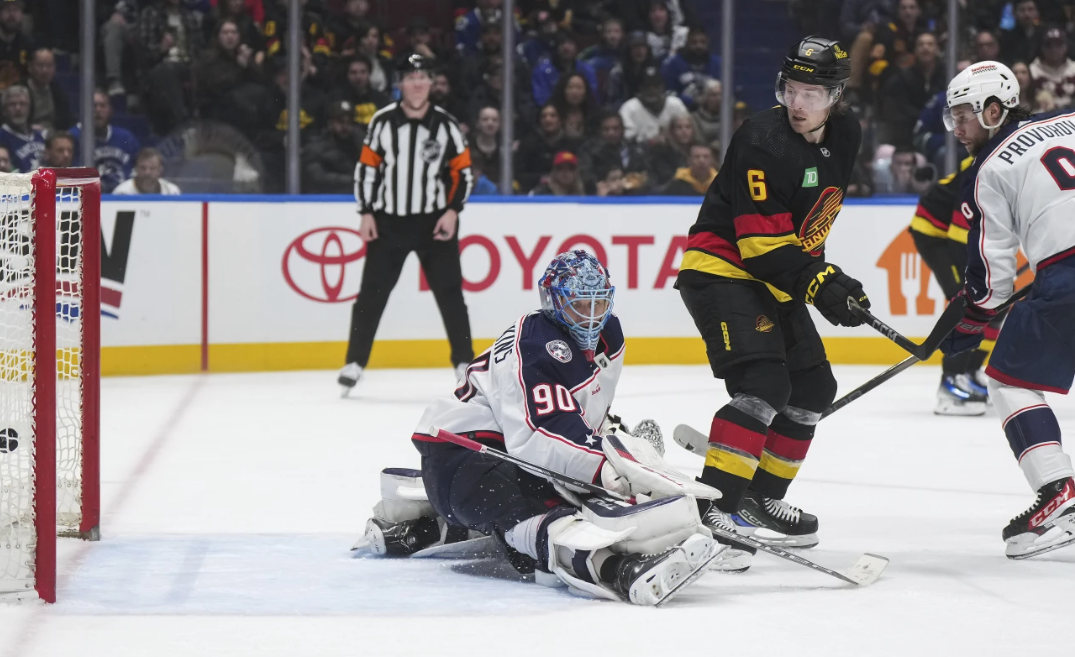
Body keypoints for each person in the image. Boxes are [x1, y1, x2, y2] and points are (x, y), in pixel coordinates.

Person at [355, 251, 731, 606]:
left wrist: (608, 450)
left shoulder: (609, 334)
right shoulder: (538, 345)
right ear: (553, 302)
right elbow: (539, 437)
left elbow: (579, 417)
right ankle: (615, 569)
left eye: (599, 303)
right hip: (463, 456)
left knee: (576, 492)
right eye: (579, 305)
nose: (591, 316)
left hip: (499, 451)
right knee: (555, 513)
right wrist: (605, 468)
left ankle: (426, 527)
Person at [675, 36, 867, 549]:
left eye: (812, 93)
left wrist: (823, 280)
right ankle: (713, 511)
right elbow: (760, 246)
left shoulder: (847, 132)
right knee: (764, 384)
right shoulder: (763, 139)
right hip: (723, 269)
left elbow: (813, 217)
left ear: (836, 97)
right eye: (791, 90)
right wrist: (818, 282)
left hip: (776, 280)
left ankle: (758, 498)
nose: (798, 103)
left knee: (813, 389)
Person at [938, 60, 1075, 559]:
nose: (957, 128)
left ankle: (1058, 492)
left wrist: (970, 321)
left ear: (993, 110)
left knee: (1008, 379)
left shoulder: (989, 168)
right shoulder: (1070, 119)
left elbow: (993, 279)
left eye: (963, 116)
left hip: (1067, 276)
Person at [342, 55, 475, 391]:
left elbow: (463, 172)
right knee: (371, 296)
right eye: (411, 77)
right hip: (389, 223)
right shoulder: (382, 122)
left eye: (423, 77)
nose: (417, 83)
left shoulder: (446, 125)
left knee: (451, 295)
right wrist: (366, 212)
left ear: (431, 83)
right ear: (400, 83)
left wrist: (452, 211)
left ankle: (464, 362)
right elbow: (367, 170)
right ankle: (354, 362)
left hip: (434, 223)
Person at [907, 154, 1000, 415]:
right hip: (935, 234)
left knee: (999, 304)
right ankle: (949, 383)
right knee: (967, 302)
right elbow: (961, 229)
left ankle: (969, 371)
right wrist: (975, 281)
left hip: (962, 234)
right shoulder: (983, 167)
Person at [69, 90, 141, 193]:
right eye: (93, 105)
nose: (98, 110)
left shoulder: (126, 137)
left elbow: (140, 169)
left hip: (123, 197)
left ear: (110, 110)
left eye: (102, 105)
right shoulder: (72, 137)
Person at [515, 103, 582, 193]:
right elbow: (519, 175)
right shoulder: (528, 143)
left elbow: (578, 172)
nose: (548, 119)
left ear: (560, 120)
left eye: (553, 116)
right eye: (544, 116)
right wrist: (543, 178)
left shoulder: (571, 145)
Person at [301, 99, 361, 194]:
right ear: (330, 123)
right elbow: (318, 178)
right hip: (326, 198)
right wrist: (352, 180)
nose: (345, 126)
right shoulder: (316, 147)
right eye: (340, 121)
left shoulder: (359, 144)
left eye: (349, 122)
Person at [577, 111, 648, 190]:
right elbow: (585, 173)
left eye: (615, 128)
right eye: (606, 129)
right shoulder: (589, 149)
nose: (611, 133)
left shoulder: (634, 149)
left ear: (623, 130)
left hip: (632, 193)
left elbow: (645, 173)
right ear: (600, 131)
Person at [618, 67, 689, 143]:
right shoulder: (629, 108)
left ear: (663, 87)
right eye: (647, 87)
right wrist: (651, 142)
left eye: (656, 86)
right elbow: (626, 139)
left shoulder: (675, 104)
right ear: (640, 88)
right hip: (640, 149)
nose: (651, 91)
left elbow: (688, 131)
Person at [531, 31, 598, 107]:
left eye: (570, 43)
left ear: (577, 47)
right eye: (562, 43)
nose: (566, 48)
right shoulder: (542, 70)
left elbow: (593, 96)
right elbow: (541, 98)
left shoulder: (587, 69)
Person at [660, 26, 720, 110]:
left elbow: (725, 93)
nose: (699, 46)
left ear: (708, 43)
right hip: (681, 110)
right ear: (687, 43)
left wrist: (708, 100)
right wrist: (691, 101)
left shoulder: (717, 63)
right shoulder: (673, 64)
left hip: (711, 111)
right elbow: (668, 93)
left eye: (703, 42)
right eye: (694, 42)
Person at [331, 55, 389, 129]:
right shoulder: (337, 98)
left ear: (369, 74)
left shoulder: (380, 99)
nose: (358, 77)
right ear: (347, 75)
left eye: (363, 72)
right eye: (353, 73)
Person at [26, 48, 72, 132]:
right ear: (30, 67)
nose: (45, 70)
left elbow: (66, 123)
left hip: (53, 136)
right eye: (40, 65)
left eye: (49, 66)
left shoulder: (58, 93)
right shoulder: (19, 91)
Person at [0, 85, 44, 172]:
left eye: (23, 104)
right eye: (12, 104)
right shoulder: (2, 137)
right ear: (4, 110)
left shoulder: (40, 135)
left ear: (29, 108)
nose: (18, 108)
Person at [1029, 26, 1075, 110]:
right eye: (1048, 45)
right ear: (1042, 48)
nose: (1054, 49)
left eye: (1058, 45)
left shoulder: (1073, 69)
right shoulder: (1032, 70)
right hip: (1042, 115)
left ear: (1066, 47)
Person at [648, 114, 697, 187]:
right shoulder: (661, 151)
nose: (684, 131)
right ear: (672, 131)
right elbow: (666, 176)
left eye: (688, 127)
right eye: (679, 128)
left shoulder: (698, 148)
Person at [550, 72, 599, 140]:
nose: (574, 92)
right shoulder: (552, 113)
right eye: (570, 87)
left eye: (579, 88)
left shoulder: (594, 115)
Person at [113, 147, 182, 194]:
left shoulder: (171, 192)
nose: (147, 173)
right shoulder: (122, 193)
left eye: (152, 168)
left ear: (160, 170)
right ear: (136, 169)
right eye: (143, 168)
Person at [0, 0, 31, 91]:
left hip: (18, 93)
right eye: (7, 10)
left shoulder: (27, 44)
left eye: (15, 10)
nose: (11, 15)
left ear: (21, 15)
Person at [469, 106, 502, 189]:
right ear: (478, 123)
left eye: (495, 120)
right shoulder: (468, 146)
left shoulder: (505, 147)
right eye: (485, 119)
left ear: (500, 124)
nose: (490, 123)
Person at [691, 79, 721, 151]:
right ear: (705, 97)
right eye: (713, 95)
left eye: (720, 94)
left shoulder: (732, 118)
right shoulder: (694, 118)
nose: (718, 98)